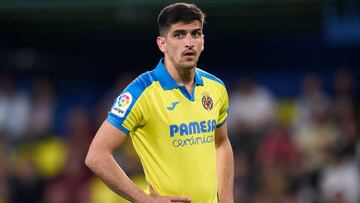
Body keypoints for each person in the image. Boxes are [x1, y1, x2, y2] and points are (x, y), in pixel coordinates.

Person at [85, 3, 234, 203]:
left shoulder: (215, 88)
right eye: (179, 35)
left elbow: (221, 143)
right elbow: (96, 156)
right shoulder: (141, 92)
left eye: (195, 34)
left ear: (203, 41)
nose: (189, 42)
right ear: (162, 43)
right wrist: (144, 200)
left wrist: (226, 199)